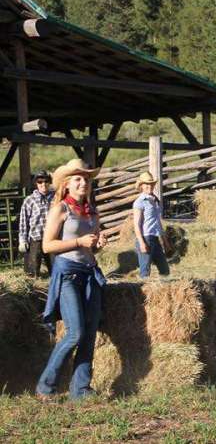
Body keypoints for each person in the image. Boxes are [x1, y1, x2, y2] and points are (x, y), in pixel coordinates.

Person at [36, 159, 108, 400]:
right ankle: (45, 387)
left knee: (89, 333)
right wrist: (79, 241)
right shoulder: (60, 209)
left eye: (86, 179)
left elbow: (91, 248)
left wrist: (98, 244)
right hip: (68, 274)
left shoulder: (92, 212)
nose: (83, 183)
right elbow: (47, 246)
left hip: (89, 273)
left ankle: (81, 389)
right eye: (78, 179)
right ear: (66, 184)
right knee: (75, 333)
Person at [132, 171, 170, 280]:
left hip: (155, 239)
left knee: (165, 270)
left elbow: (157, 222)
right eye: (146, 184)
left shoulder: (154, 200)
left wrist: (165, 241)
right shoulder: (139, 202)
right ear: (141, 186)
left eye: (151, 184)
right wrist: (142, 243)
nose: (150, 186)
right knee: (145, 272)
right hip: (145, 238)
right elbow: (136, 225)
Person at [18, 169, 54, 278]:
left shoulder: (56, 198)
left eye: (46, 181)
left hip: (53, 237)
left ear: (50, 182)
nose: (43, 184)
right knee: (32, 271)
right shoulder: (29, 200)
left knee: (56, 269)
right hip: (36, 238)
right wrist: (22, 240)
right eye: (40, 182)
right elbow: (24, 221)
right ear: (36, 183)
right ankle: (34, 289)